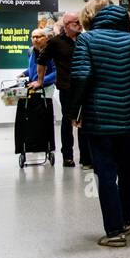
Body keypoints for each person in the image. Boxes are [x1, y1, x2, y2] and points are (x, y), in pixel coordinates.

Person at [69, 0, 130, 247]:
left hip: (100, 120)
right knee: (127, 170)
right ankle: (126, 220)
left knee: (106, 174)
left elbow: (81, 77)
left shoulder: (87, 40)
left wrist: (73, 112)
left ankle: (114, 231)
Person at [34, 12, 89, 167]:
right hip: (66, 88)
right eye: (75, 22)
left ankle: (85, 158)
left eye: (79, 21)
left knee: (84, 123)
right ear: (66, 25)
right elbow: (42, 60)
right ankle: (67, 156)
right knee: (67, 122)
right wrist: (40, 81)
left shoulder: (85, 40)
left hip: (84, 87)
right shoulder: (56, 42)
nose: (79, 24)